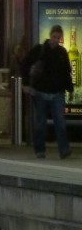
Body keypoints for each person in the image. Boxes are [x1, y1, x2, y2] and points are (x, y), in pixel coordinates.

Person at [21, 24, 73, 159]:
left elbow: (66, 72)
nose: (56, 40)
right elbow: (25, 63)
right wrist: (26, 83)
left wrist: (70, 89)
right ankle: (40, 149)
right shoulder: (40, 50)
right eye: (54, 37)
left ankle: (63, 149)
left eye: (58, 37)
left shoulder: (62, 53)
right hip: (41, 92)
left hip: (56, 92)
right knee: (41, 123)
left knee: (59, 122)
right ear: (50, 36)